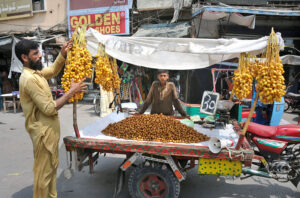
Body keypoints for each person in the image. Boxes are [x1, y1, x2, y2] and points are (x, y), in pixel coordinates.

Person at [16, 39, 87, 198]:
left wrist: (62, 54)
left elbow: (53, 71)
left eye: (39, 52)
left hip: (49, 131)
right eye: (35, 54)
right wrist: (71, 92)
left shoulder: (36, 73)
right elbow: (49, 108)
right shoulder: (29, 79)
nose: (40, 56)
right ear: (24, 58)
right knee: (44, 175)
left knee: (51, 168)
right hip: (42, 133)